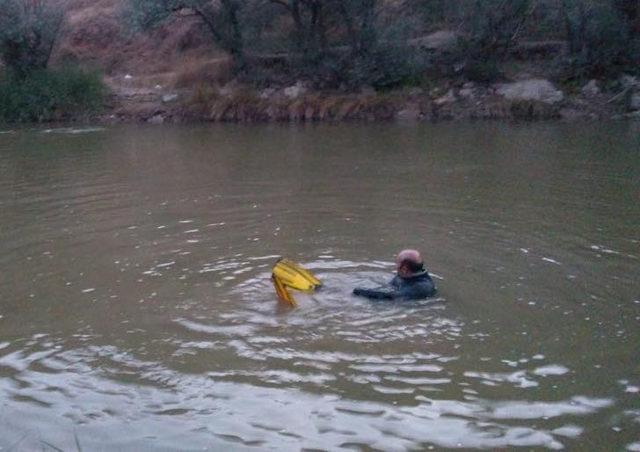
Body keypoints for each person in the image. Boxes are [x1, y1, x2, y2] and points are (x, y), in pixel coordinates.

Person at [352, 249, 437, 300]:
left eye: (397, 263)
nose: (395, 265)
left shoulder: (421, 287)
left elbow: (393, 297)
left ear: (404, 269)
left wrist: (358, 291)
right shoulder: (406, 276)